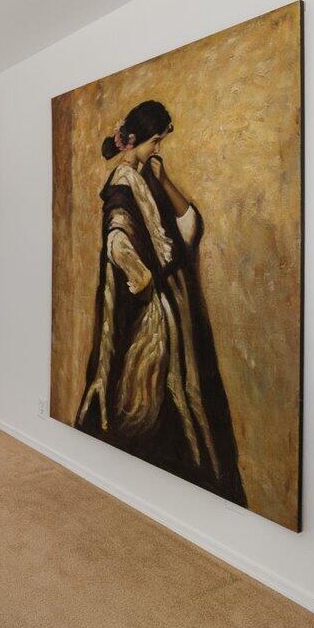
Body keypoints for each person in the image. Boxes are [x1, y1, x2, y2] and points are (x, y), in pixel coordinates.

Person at [75, 100, 246, 507]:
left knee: (186, 404)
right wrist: (146, 280)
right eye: (155, 141)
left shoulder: (145, 177)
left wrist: (164, 178)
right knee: (152, 406)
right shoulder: (122, 183)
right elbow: (117, 242)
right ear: (136, 140)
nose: (158, 148)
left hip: (175, 311)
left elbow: (189, 225)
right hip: (152, 319)